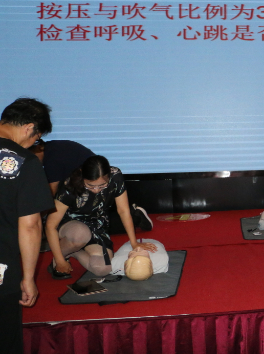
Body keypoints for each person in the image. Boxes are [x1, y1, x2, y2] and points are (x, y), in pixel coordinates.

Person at [45, 155, 157, 279]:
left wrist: (134, 243)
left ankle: (73, 252)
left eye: (102, 185)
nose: (96, 190)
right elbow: (50, 226)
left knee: (103, 268)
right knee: (80, 235)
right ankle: (61, 256)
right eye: (90, 185)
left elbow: (123, 211)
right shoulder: (70, 184)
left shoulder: (115, 176)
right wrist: (59, 260)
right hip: (69, 225)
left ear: (109, 176)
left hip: (97, 224)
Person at [0, 98, 54, 353]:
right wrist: (28, 278)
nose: (34, 145)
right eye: (37, 139)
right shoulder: (24, 162)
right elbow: (30, 225)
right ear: (29, 128)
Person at [29, 139, 152, 233]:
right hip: (88, 182)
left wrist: (36, 219)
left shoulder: (52, 159)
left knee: (94, 223)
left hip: (88, 184)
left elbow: (51, 195)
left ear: (38, 148)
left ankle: (135, 216)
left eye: (31, 157)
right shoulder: (53, 147)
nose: (31, 162)